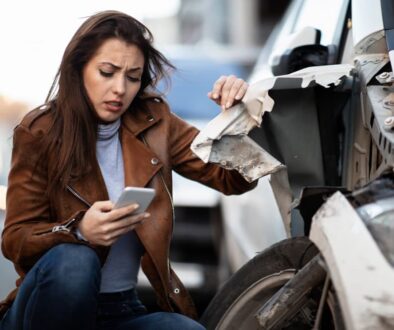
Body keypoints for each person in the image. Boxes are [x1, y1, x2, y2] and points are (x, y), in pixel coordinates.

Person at [0, 10, 256, 330]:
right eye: (107, 72)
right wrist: (80, 232)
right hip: (47, 307)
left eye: (132, 77)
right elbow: (15, 240)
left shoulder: (155, 122)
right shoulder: (40, 131)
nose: (120, 88)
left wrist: (236, 120)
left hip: (120, 309)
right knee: (76, 261)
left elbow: (234, 180)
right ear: (78, 69)